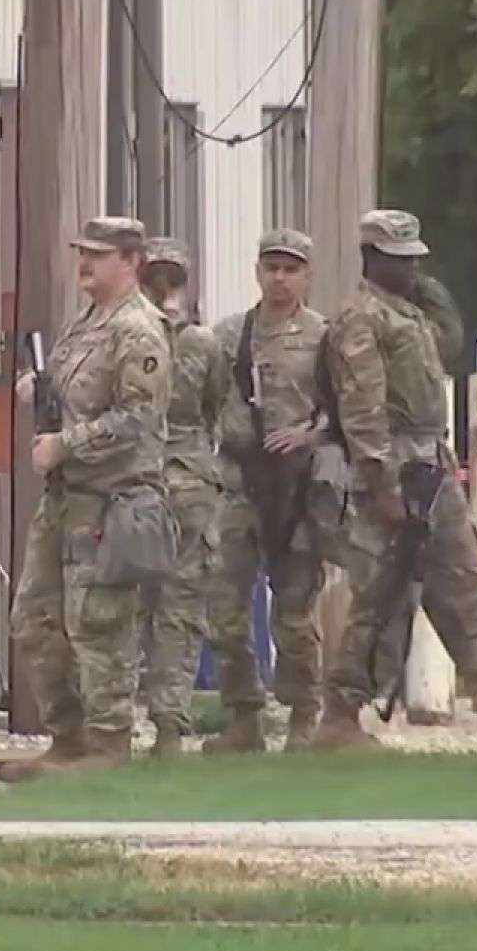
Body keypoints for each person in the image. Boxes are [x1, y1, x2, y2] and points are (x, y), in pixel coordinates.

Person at [317, 210, 477, 750]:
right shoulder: (360, 319)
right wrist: (381, 483)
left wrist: (430, 293)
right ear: (372, 258)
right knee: (376, 596)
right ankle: (339, 714)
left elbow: (447, 347)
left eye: (414, 260)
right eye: (400, 260)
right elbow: (362, 408)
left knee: (464, 583)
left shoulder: (408, 314)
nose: (411, 269)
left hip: (430, 463)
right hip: (394, 467)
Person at [2, 216, 172, 781]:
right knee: (34, 618)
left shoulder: (138, 330)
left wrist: (66, 444)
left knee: (98, 624)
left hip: (109, 499)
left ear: (130, 262)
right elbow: (74, 387)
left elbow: (138, 418)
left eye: (98, 255)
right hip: (65, 499)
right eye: (83, 252)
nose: (85, 263)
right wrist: (39, 387)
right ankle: (67, 738)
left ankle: (108, 742)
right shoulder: (86, 322)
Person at [205, 230, 336, 754]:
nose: (280, 278)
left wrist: (308, 434)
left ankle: (304, 713)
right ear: (257, 272)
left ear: (307, 275)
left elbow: (348, 410)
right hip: (238, 484)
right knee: (225, 607)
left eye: (291, 269)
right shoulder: (229, 335)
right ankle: (243, 716)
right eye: (271, 268)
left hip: (296, 489)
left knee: (294, 611)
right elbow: (199, 396)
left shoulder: (324, 338)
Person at [134, 237, 229, 757]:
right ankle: (167, 725)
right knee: (176, 607)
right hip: (186, 476)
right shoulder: (203, 343)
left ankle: (119, 724)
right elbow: (216, 411)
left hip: (138, 480)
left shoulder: (124, 336)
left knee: (130, 605)